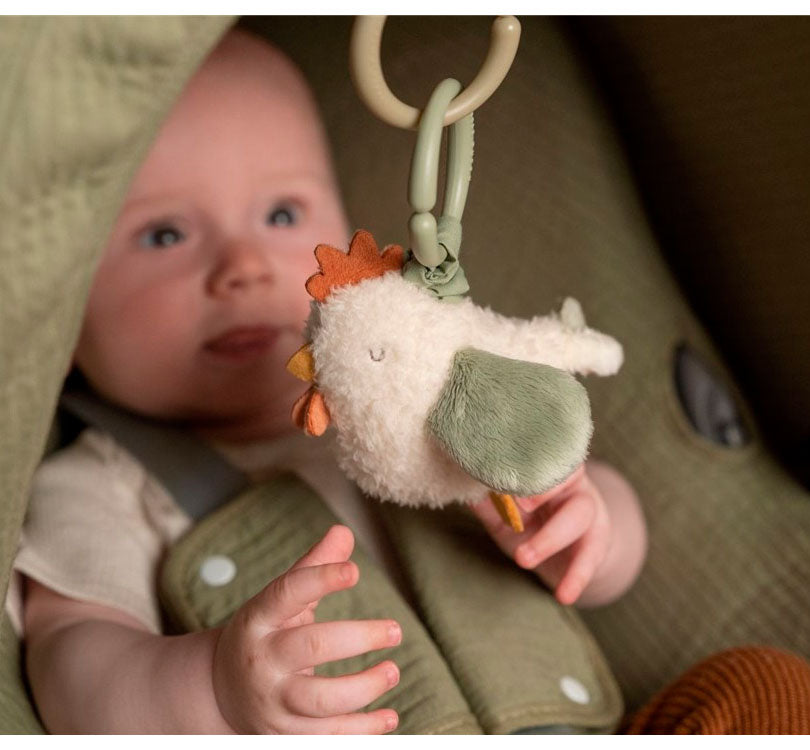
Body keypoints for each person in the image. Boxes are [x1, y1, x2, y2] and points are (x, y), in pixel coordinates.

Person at [6, 27, 648, 733]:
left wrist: (586, 524)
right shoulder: (102, 486)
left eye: (282, 214)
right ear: (60, 307)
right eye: (164, 234)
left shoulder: (424, 394)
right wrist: (214, 690)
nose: (245, 265)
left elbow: (597, 577)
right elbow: (75, 672)